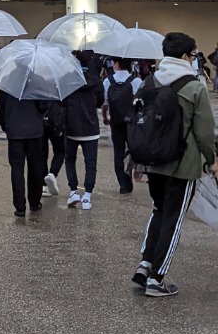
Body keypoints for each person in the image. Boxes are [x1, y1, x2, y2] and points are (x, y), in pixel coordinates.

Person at [132, 31, 218, 299]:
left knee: (159, 210)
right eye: (192, 55)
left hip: (153, 162)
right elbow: (205, 131)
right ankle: (157, 278)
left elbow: (137, 123)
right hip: (182, 164)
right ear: (185, 57)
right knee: (174, 218)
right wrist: (213, 159)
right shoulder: (194, 87)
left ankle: (146, 263)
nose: (194, 59)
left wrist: (135, 160)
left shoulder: (148, 81)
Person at [0, 91, 47, 217]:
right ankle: (35, 202)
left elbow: (1, 108)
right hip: (34, 130)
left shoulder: (7, 83)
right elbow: (43, 106)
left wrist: (6, 126)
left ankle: (20, 206)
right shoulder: (36, 81)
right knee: (35, 168)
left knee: (17, 169)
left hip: (14, 131)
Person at [63, 50, 102, 210]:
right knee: (90, 163)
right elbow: (100, 101)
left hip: (71, 126)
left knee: (70, 159)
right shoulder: (96, 81)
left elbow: (62, 101)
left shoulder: (68, 80)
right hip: (91, 126)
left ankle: (73, 191)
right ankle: (87, 196)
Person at [102, 58, 143, 194]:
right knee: (134, 148)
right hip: (131, 122)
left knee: (118, 152)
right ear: (130, 65)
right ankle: (129, 169)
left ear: (116, 65)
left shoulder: (108, 81)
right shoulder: (136, 81)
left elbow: (105, 103)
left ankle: (122, 184)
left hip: (116, 121)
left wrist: (105, 117)